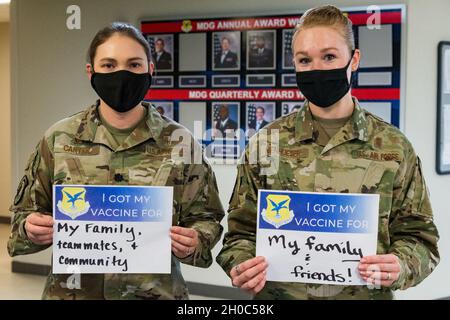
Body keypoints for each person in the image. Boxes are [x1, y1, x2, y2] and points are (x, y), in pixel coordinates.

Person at [216, 5, 439, 300]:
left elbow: (421, 239)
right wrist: (241, 264)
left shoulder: (394, 147)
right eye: (304, 60)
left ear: (354, 59)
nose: (317, 69)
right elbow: (240, 234)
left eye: (329, 56)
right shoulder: (266, 143)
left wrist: (400, 265)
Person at [7, 22, 224, 300]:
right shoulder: (58, 139)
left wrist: (196, 240)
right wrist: (30, 229)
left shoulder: (181, 143)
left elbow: (206, 218)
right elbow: (23, 218)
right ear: (91, 72)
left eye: (134, 65)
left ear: (150, 70)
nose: (122, 74)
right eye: (109, 65)